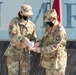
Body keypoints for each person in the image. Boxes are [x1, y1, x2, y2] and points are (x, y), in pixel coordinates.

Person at [27, 9, 67, 75]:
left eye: (49, 21)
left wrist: (37, 50)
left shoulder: (60, 31)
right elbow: (44, 39)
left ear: (54, 19)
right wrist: (38, 43)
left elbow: (54, 46)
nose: (48, 23)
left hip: (57, 63)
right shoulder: (49, 27)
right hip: (49, 62)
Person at [4, 4, 37, 75]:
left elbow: (34, 39)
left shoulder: (32, 25)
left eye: (29, 15)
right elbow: (12, 37)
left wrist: (29, 44)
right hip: (13, 54)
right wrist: (23, 40)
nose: (27, 17)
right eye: (26, 14)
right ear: (21, 13)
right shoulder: (14, 22)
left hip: (25, 56)